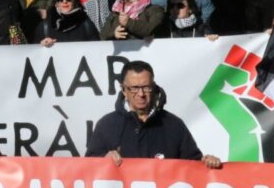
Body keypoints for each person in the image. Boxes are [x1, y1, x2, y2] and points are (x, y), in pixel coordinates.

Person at [85, 60, 222, 168]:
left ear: (153, 86)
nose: (141, 94)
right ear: (123, 90)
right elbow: (88, 169)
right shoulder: (107, 125)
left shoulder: (174, 125)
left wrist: (207, 163)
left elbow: (194, 166)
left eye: (146, 87)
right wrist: (103, 161)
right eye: (134, 88)